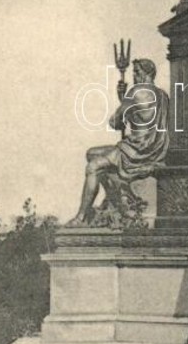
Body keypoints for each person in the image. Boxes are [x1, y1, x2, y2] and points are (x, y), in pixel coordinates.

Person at [67, 58, 170, 226]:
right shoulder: (163, 96)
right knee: (92, 152)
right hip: (155, 150)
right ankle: (114, 196)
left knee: (92, 166)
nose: (134, 76)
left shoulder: (135, 92)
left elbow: (115, 123)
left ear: (147, 73)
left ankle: (81, 217)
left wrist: (123, 99)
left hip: (135, 150)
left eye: (137, 72)